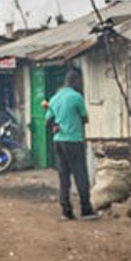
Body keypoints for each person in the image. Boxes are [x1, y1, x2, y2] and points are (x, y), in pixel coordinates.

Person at [46, 67, 94, 220]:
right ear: (75, 81)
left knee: (64, 177)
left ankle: (66, 211)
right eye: (80, 81)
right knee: (80, 175)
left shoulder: (55, 98)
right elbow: (85, 118)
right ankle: (86, 209)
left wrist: (56, 124)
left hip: (58, 141)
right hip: (74, 140)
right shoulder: (76, 97)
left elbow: (47, 121)